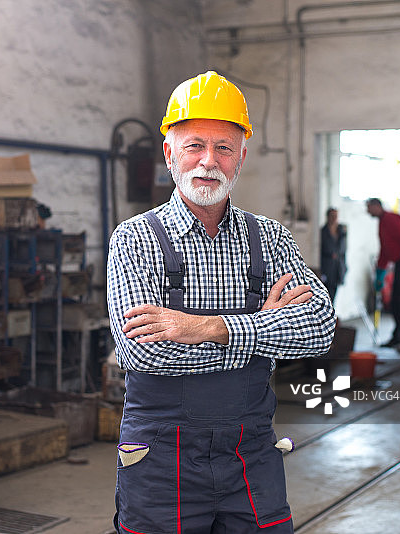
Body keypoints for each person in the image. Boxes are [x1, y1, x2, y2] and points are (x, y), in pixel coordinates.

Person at [106, 71, 336, 534]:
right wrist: (264, 327)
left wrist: (206, 328)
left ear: (241, 158)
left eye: (224, 148)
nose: (208, 162)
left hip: (250, 453)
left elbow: (320, 329)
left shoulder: (270, 238)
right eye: (194, 145)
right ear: (169, 153)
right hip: (159, 458)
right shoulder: (134, 239)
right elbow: (144, 352)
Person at [365, 198, 400, 351]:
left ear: (377, 206)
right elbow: (385, 250)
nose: (367, 211)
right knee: (396, 302)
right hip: (399, 263)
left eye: (369, 208)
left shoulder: (392, 218)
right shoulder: (382, 223)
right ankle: (397, 337)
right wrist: (380, 273)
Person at [320, 207, 347, 303]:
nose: (334, 218)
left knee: (333, 296)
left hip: (337, 269)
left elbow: (344, 251)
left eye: (336, 216)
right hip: (326, 269)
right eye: (332, 216)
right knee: (326, 295)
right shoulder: (322, 232)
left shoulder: (342, 232)